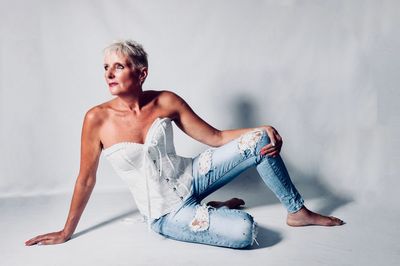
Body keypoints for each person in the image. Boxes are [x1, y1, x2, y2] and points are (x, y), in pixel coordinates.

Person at [25, 40, 344, 249]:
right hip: (166, 211)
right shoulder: (96, 119)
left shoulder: (166, 101)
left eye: (118, 66)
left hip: (190, 176)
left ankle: (297, 211)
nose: (109, 73)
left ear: (141, 73)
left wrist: (263, 127)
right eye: (106, 67)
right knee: (245, 232)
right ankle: (212, 210)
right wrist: (66, 231)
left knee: (260, 140)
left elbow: (216, 137)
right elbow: (86, 179)